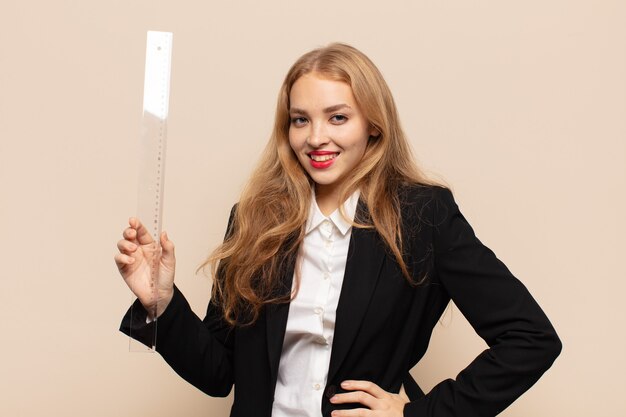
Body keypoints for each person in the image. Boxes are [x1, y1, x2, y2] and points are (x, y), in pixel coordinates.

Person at [115, 43, 561, 417]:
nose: (315, 138)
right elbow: (218, 375)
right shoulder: (255, 219)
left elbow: (531, 339)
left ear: (373, 127)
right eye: (301, 119)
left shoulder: (423, 216)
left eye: (338, 117)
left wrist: (416, 414)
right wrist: (162, 303)